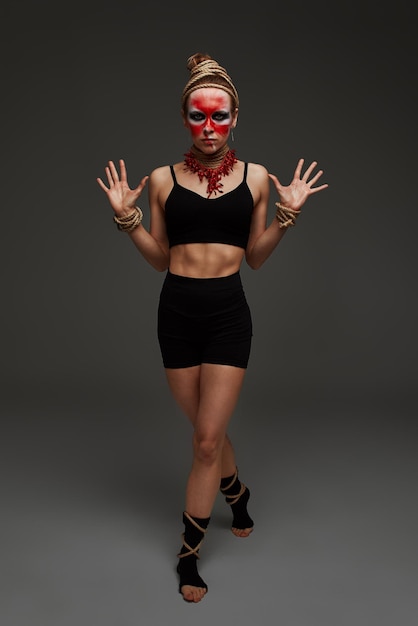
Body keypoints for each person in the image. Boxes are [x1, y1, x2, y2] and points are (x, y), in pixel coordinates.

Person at [97, 52, 328, 603]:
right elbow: (159, 258)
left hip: (228, 314)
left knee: (204, 440)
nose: (208, 127)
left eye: (219, 116)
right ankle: (237, 492)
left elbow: (256, 257)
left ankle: (188, 554)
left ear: (234, 117)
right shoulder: (159, 180)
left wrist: (286, 218)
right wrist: (127, 220)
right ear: (184, 118)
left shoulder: (255, 179)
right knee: (208, 427)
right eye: (198, 116)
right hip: (175, 313)